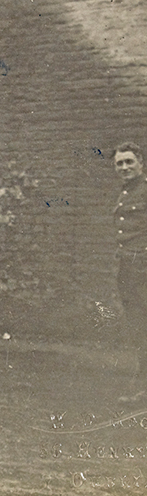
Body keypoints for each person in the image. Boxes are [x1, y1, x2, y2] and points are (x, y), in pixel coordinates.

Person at [113, 142, 147, 403]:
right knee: (138, 326)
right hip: (129, 271)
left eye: (129, 161)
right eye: (119, 163)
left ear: (141, 163)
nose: (124, 167)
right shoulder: (124, 194)